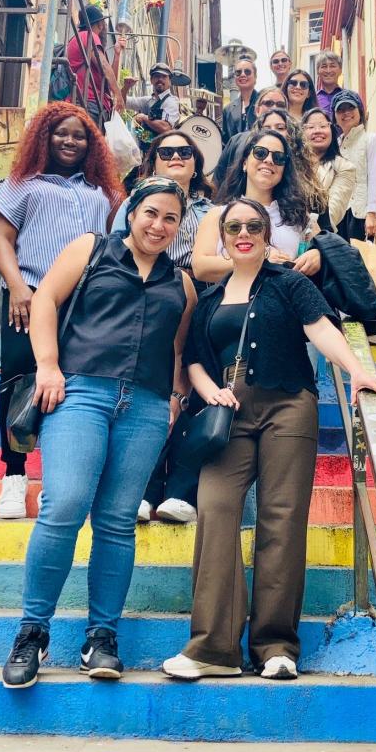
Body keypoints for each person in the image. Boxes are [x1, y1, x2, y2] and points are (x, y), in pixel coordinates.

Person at [162, 199, 376, 681]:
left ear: (267, 236)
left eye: (253, 226)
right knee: (215, 508)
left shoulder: (289, 284)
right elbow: (195, 359)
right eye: (234, 228)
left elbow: (320, 328)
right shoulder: (209, 298)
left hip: (288, 403)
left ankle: (276, 646)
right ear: (223, 239)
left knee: (282, 517)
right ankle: (214, 648)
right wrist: (211, 391)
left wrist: (356, 371)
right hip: (228, 411)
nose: (243, 234)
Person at [1, 177, 197, 689]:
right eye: (151, 213)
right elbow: (46, 300)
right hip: (80, 392)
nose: (159, 225)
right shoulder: (91, 248)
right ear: (132, 213)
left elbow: (178, 349)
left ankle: (101, 637)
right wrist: (48, 365)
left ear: (179, 227)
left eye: (171, 218)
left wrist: (175, 398)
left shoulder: (182, 283)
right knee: (64, 505)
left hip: (146, 406)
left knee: (116, 522)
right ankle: (32, 632)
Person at [0, 102, 124, 521]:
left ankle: (62, 474)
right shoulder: (22, 184)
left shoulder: (103, 192)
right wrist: (17, 287)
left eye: (79, 136)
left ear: (91, 145)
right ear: (44, 137)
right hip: (29, 297)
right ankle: (14, 473)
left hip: (85, 302)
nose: (70, 141)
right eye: (61, 133)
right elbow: (2, 240)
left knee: (74, 385)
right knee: (18, 380)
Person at [112, 132, 214, 525]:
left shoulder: (211, 210)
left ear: (196, 162)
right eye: (166, 151)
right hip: (147, 294)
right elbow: (119, 247)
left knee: (191, 388)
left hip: (199, 295)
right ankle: (144, 487)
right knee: (151, 389)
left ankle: (181, 491)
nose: (176, 157)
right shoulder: (134, 204)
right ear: (152, 160)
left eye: (185, 151)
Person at [193, 129, 321, 282]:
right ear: (244, 163)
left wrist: (318, 255)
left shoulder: (299, 216)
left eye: (278, 157)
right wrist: (259, 260)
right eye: (260, 153)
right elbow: (200, 268)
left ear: (284, 170)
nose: (269, 160)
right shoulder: (218, 214)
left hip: (288, 295)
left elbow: (325, 249)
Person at [332, 90, 376, 242]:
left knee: (360, 255)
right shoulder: (335, 146)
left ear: (360, 111)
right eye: (341, 109)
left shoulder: (372, 140)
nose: (346, 113)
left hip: (361, 214)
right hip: (337, 216)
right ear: (335, 117)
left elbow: (375, 179)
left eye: (351, 107)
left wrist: (372, 213)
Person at [214, 86, 288, 188]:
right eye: (268, 103)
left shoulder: (293, 146)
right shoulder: (237, 141)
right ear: (257, 110)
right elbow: (218, 179)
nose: (274, 108)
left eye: (280, 105)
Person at [66, 5, 125, 127]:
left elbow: (108, 79)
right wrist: (118, 94)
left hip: (89, 103)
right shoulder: (89, 35)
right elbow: (104, 66)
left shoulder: (80, 38)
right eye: (103, 23)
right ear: (100, 24)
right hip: (89, 102)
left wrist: (117, 54)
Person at [302, 107, 356, 231]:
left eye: (323, 126)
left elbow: (333, 213)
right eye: (311, 127)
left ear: (331, 130)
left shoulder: (345, 167)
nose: (317, 131)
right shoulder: (291, 163)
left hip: (318, 233)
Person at [122, 62, 180, 153]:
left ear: (170, 81)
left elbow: (166, 128)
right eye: (157, 76)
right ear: (151, 80)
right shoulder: (148, 100)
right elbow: (123, 102)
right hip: (146, 154)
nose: (160, 79)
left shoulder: (171, 101)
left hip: (163, 155)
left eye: (164, 77)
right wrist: (126, 87)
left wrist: (144, 118)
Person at [222, 57, 259, 144]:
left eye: (247, 72)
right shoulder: (228, 110)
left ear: (255, 77)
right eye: (238, 72)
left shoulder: (265, 102)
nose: (242, 75)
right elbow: (225, 142)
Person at [315, 50, 343, 119]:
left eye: (332, 66)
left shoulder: (351, 97)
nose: (328, 71)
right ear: (317, 71)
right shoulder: (312, 100)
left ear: (340, 70)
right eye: (324, 66)